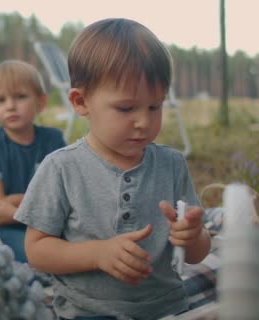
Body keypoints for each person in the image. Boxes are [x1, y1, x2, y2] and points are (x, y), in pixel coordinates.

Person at [14, 18, 211, 320]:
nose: (144, 122)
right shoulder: (62, 168)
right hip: (87, 311)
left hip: (166, 308)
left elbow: (198, 253)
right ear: (81, 102)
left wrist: (194, 236)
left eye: (154, 107)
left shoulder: (171, 165)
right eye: (126, 108)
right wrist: (98, 253)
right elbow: (37, 251)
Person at [0, 60, 66, 263]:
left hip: (42, 227)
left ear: (40, 102)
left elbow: (59, 199)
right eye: (0, 100)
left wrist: (14, 204)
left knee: (70, 242)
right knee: (40, 252)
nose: (10, 106)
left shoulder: (53, 139)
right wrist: (37, 206)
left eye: (20, 97)